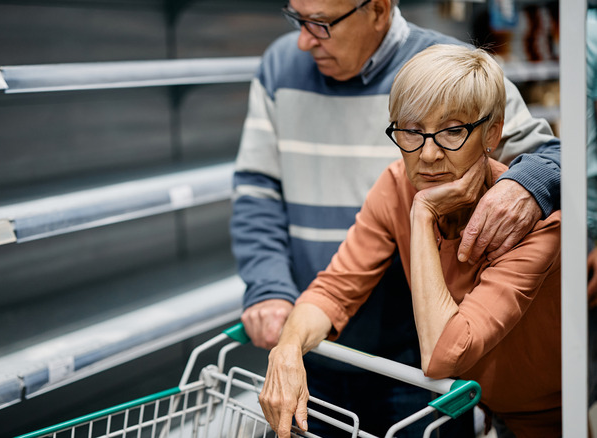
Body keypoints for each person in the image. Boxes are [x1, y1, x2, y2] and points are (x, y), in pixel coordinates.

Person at [231, 0, 561, 435]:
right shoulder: (395, 182)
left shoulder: (527, 211)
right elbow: (334, 286)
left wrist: (423, 212)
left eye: (452, 131)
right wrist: (287, 348)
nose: (426, 154)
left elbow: (443, 353)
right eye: (409, 131)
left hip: (539, 404)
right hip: (450, 381)